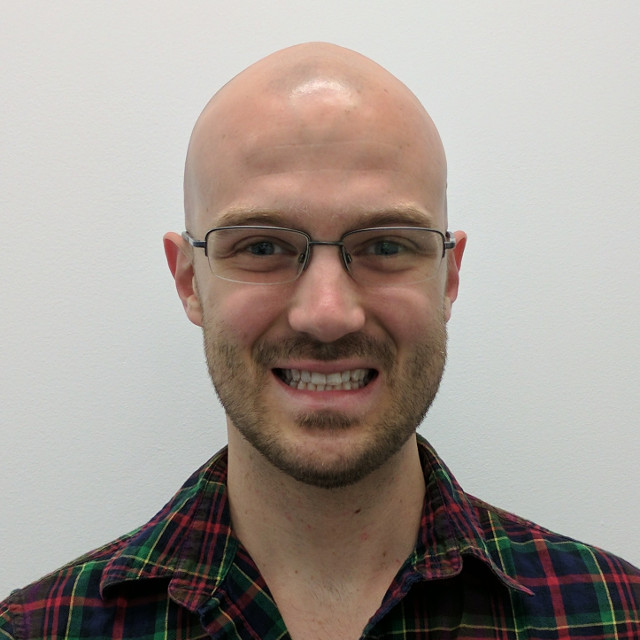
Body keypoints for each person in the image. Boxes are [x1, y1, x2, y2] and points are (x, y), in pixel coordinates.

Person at [1, 42, 638, 640]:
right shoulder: (38, 629)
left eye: (386, 244)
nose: (327, 314)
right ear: (189, 280)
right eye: (262, 247)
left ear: (448, 277)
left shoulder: (617, 617)